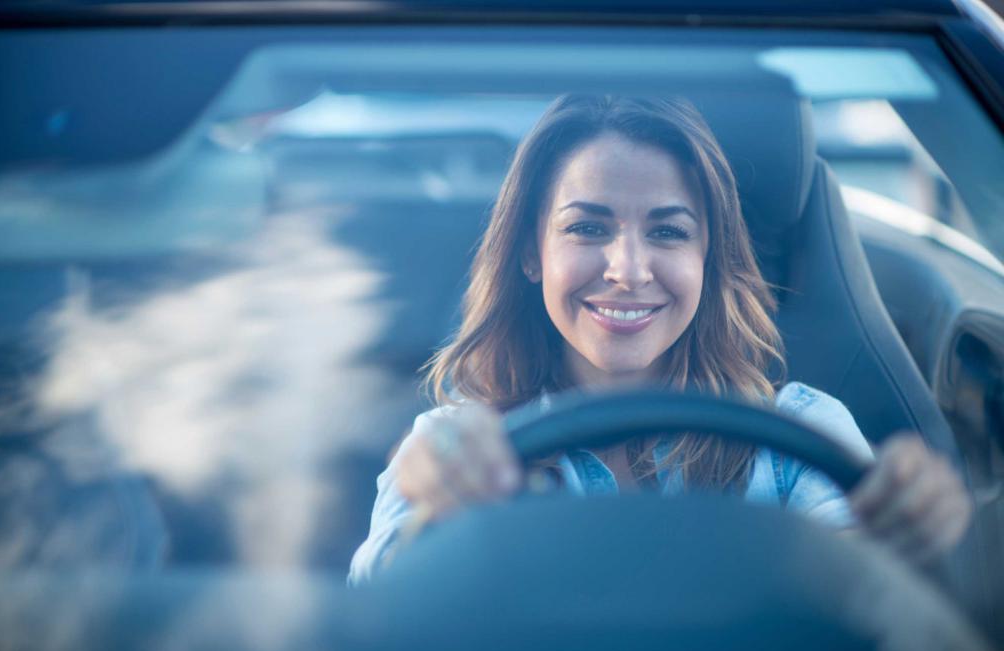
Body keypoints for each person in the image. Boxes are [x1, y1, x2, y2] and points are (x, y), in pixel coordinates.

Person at [348, 94, 971, 585]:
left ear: (708, 257)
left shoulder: (798, 440)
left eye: (669, 233)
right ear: (531, 253)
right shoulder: (455, 451)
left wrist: (911, 535)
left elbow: (880, 611)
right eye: (588, 226)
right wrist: (433, 517)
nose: (628, 270)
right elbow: (376, 627)